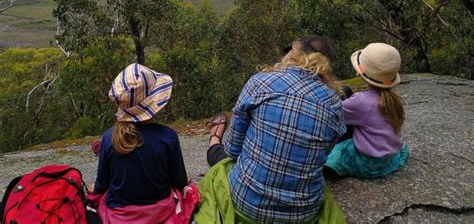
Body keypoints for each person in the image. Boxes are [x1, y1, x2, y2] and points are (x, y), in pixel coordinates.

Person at [196, 35, 346, 223]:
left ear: (293, 53)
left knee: (221, 164)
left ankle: (214, 139)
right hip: (303, 214)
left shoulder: (261, 82)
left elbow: (233, 149)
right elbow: (323, 154)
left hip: (246, 205)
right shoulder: (334, 102)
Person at [88, 63, 199, 224]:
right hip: (159, 213)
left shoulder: (108, 138)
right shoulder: (168, 136)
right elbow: (178, 181)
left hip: (118, 217)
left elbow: (102, 185)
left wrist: (94, 189)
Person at [324, 43, 409, 178]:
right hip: (389, 159)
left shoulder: (360, 102)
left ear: (361, 72)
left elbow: (331, 114)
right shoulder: (394, 99)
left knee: (339, 151)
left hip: (368, 163)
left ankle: (331, 168)